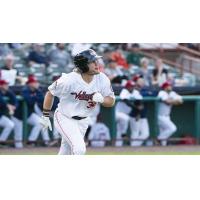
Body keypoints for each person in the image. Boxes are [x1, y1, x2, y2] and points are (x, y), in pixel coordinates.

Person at [39, 49, 115, 155]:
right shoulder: (68, 80)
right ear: (83, 65)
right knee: (79, 149)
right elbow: (50, 93)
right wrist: (45, 115)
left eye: (96, 61)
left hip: (84, 121)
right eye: (92, 62)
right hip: (65, 118)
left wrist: (102, 99)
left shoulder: (102, 78)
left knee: (65, 153)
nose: (97, 64)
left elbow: (111, 101)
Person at [22, 75, 50, 146]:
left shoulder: (36, 90)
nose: (37, 84)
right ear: (30, 84)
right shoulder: (25, 90)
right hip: (20, 115)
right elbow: (29, 101)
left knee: (42, 122)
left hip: (29, 114)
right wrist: (35, 97)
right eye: (35, 82)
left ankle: (31, 141)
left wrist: (35, 94)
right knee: (18, 143)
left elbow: (42, 99)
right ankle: (30, 142)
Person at [157, 81, 183, 146]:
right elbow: (167, 102)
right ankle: (158, 139)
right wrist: (174, 101)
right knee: (172, 128)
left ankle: (161, 150)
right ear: (165, 87)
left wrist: (172, 101)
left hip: (167, 116)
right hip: (160, 116)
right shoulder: (161, 93)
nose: (170, 87)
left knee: (164, 140)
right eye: (169, 86)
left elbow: (181, 101)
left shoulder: (172, 93)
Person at [0, 80, 22, 148]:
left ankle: (1, 141)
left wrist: (14, 106)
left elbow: (15, 99)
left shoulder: (8, 92)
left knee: (10, 124)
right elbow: (1, 101)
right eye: (4, 84)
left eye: (7, 84)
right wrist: (7, 105)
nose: (6, 86)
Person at [128, 76, 150, 146]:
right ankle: (133, 149)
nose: (141, 83)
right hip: (135, 115)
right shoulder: (133, 91)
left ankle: (133, 147)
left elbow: (153, 93)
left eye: (142, 82)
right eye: (139, 82)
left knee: (146, 134)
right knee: (135, 133)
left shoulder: (145, 90)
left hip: (143, 116)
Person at [115, 80, 133, 147]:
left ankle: (118, 146)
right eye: (130, 86)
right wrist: (133, 106)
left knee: (119, 130)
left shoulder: (134, 92)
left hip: (123, 114)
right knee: (126, 118)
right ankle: (124, 134)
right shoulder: (124, 91)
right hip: (118, 113)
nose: (132, 88)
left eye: (133, 86)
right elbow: (124, 99)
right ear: (127, 87)